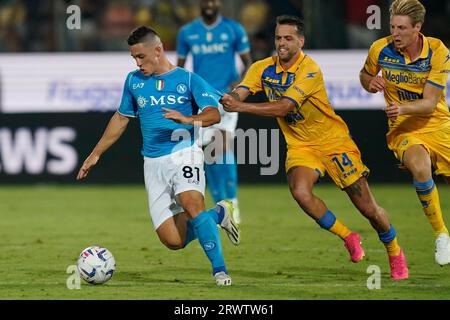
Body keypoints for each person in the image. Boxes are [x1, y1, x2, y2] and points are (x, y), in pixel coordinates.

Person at [221, 15, 409, 280]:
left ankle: (394, 250)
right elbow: (239, 93)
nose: (282, 43)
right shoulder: (262, 68)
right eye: (278, 38)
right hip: (300, 144)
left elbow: (285, 106)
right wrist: (229, 98)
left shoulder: (310, 69)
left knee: (368, 209)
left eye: (288, 38)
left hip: (333, 141)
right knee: (300, 191)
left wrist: (240, 106)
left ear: (301, 41)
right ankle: (348, 236)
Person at [76, 26, 240, 286]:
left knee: (192, 204)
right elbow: (121, 118)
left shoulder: (188, 80)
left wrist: (188, 118)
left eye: (141, 57)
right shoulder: (133, 81)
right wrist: (95, 154)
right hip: (152, 163)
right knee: (173, 241)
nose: (137, 63)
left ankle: (220, 271)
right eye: (134, 58)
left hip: (184, 153)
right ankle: (219, 215)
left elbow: (214, 114)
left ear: (158, 50)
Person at [360, 0, 450, 265]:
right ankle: (441, 234)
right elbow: (364, 75)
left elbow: (430, 103)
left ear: (417, 27)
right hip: (403, 128)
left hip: (438, 124)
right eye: (392, 26)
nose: (395, 33)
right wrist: (371, 82)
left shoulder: (437, 50)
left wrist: (402, 107)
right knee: (419, 166)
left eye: (401, 28)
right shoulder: (380, 48)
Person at [176, 0, 252, 225]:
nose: (209, 4)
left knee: (223, 149)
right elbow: (180, 68)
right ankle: (222, 207)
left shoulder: (233, 29)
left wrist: (236, 88)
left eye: (214, 0)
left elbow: (249, 63)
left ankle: (233, 203)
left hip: (226, 99)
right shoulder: (187, 32)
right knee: (208, 157)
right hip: (202, 100)